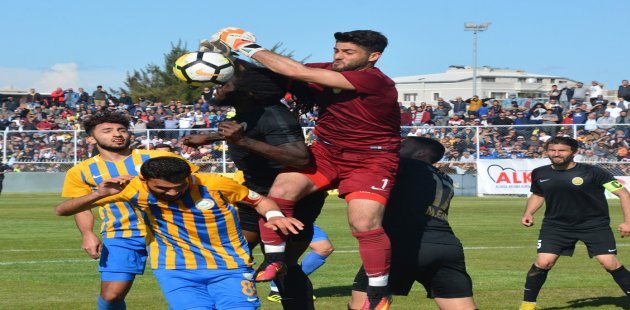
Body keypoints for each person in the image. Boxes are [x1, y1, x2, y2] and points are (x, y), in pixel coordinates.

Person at [214, 27, 399, 309]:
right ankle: (275, 260)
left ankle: (378, 292)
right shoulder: (328, 70)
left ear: (374, 57)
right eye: (337, 50)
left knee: (363, 222)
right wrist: (227, 55)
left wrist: (246, 46)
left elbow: (299, 72)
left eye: (348, 52)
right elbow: (275, 73)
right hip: (327, 152)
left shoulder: (375, 81)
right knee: (281, 191)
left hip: (371, 159)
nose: (339, 56)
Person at [55, 156, 303, 310]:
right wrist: (99, 194)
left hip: (231, 266)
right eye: (163, 188)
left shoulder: (214, 183)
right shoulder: (131, 189)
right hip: (176, 270)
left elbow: (260, 201)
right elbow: (63, 210)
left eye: (179, 186)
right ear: (145, 180)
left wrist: (275, 216)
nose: (173, 193)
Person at [181, 59, 330, 309]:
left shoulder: (274, 114)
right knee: (230, 258)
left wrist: (242, 143)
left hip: (291, 201)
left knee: (284, 266)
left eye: (225, 82)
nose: (218, 85)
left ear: (249, 90)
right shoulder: (249, 113)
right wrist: (209, 137)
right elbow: (251, 132)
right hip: (255, 196)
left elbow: (300, 157)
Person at [60, 112, 191, 310]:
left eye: (122, 129)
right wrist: (87, 234)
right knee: (111, 295)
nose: (117, 134)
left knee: (186, 290)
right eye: (108, 130)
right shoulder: (80, 171)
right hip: (121, 233)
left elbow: (197, 183)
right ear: (91, 138)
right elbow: (81, 205)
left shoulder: (157, 158)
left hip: (170, 232)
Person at [519, 136, 630, 310]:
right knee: (543, 262)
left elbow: (624, 194)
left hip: (594, 225)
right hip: (556, 226)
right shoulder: (540, 173)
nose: (556, 154)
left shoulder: (593, 172)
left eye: (562, 150)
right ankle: (527, 304)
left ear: (574, 152)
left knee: (609, 263)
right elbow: (538, 194)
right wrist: (529, 212)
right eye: (552, 150)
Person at [349, 137, 477, 310]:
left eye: (402, 145)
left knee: (363, 304)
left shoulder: (405, 166)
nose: (396, 148)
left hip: (403, 243)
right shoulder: (445, 178)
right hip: (446, 245)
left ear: (421, 153)